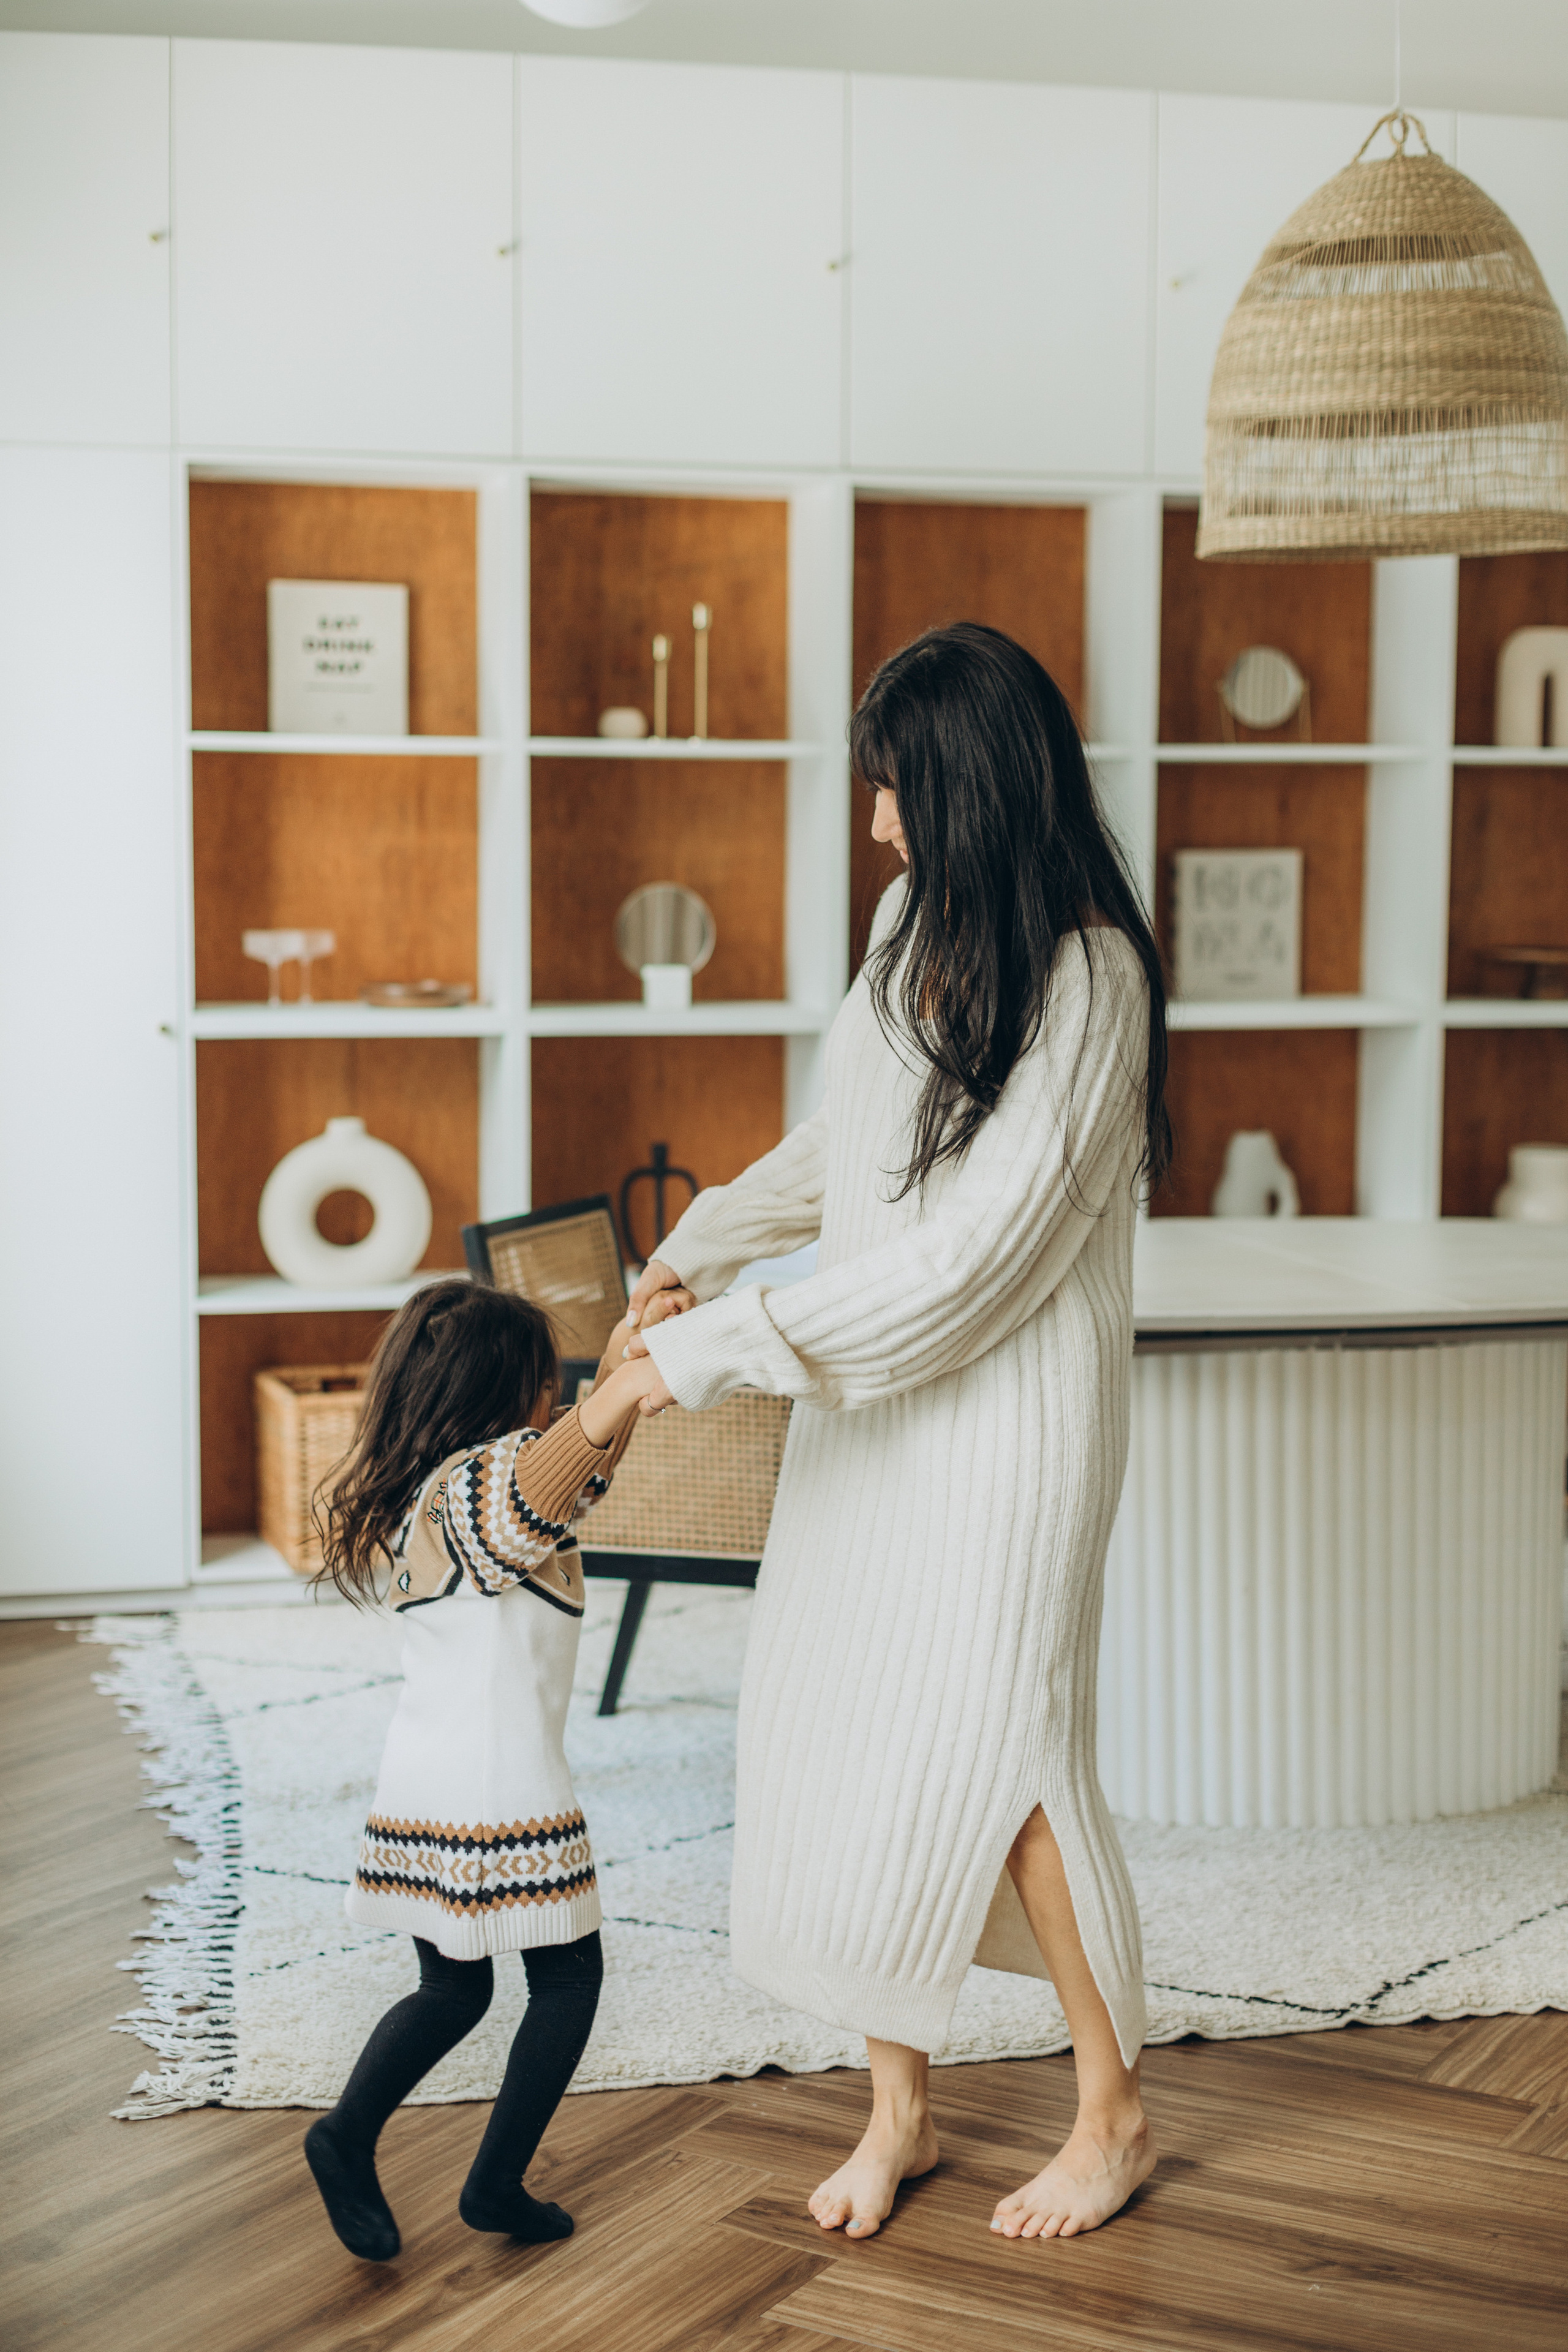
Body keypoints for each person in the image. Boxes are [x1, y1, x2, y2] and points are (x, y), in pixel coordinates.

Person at [624, 622, 1171, 2244]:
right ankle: (901, 2112)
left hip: (1010, 1432)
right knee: (858, 1733)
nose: (876, 824)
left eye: (899, 791)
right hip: (869, 1404)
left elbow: (973, 1265)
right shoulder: (906, 921)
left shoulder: (1093, 981)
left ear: (977, 788)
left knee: (1014, 1759)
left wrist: (713, 1351)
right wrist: (701, 1240)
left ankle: (1114, 2118)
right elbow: (848, 1141)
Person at [301, 1277, 665, 2264]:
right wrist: (627, 1386)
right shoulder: (483, 1490)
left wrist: (625, 1357)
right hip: (499, 1791)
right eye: (549, 1383)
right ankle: (494, 2181)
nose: (557, 1400)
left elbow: (574, 1474)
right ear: (504, 1392)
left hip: (429, 1779)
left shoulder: (448, 1491)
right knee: (569, 1980)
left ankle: (346, 2135)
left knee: (455, 1991)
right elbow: (552, 1472)